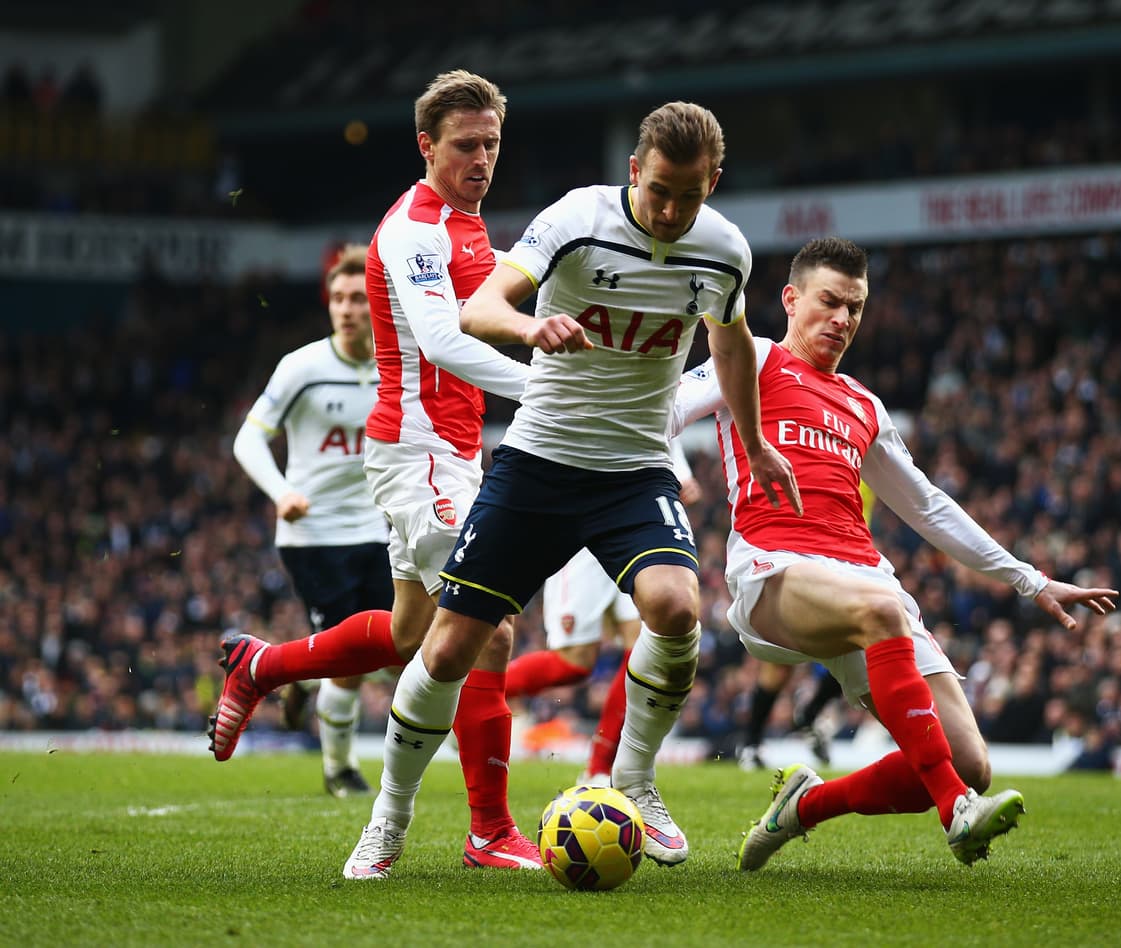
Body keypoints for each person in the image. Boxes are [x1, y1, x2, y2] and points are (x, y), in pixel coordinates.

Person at [341, 100, 800, 879]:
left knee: (677, 607)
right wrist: (531, 330)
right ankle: (389, 819)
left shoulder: (724, 251)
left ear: (712, 184)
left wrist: (755, 444)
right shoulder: (577, 219)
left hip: (634, 469)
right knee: (450, 647)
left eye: (688, 196)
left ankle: (634, 780)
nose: (669, 210)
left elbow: (731, 345)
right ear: (634, 170)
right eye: (657, 191)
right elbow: (480, 307)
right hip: (540, 462)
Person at [668, 237, 1118, 869]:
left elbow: (928, 506)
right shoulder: (753, 357)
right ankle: (955, 812)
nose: (843, 320)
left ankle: (802, 808)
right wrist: (675, 474)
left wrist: (1030, 580)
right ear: (791, 300)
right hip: (773, 571)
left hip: (862, 578)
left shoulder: (863, 403)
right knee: (884, 616)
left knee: (972, 763)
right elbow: (662, 409)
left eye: (855, 307)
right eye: (829, 302)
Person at [210, 70, 547, 871]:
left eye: (492, 143)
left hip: (443, 453)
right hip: (420, 457)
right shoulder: (412, 230)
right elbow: (442, 342)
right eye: (466, 145)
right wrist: (549, 377)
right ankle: (483, 830)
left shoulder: (464, 224)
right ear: (426, 145)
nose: (482, 158)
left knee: (404, 633)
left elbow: (497, 273)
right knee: (489, 631)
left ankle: (264, 664)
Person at [230, 243, 388, 798]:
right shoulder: (302, 368)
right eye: (338, 299)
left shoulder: (397, 368)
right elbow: (248, 438)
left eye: (358, 298)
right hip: (315, 535)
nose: (346, 309)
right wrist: (281, 492)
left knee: (395, 647)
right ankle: (339, 770)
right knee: (349, 658)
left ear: (377, 303)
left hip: (381, 531)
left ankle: (296, 675)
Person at [506, 446, 703, 784]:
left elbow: (661, 412)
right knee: (573, 663)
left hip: (636, 521)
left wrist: (680, 472)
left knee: (644, 648)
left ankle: (599, 767)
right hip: (582, 526)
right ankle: (472, 693)